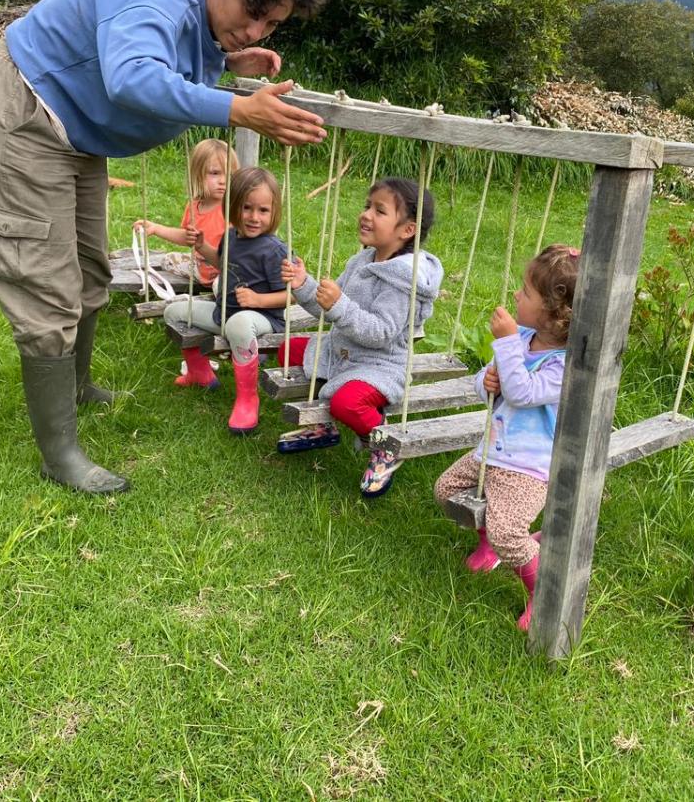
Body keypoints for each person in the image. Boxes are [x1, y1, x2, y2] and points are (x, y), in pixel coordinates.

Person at [0, 0, 327, 493]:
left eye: (271, 25)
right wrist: (238, 110)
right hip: (20, 113)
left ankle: (75, 389)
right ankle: (60, 453)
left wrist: (229, 63)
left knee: (90, 269)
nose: (256, 30)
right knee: (46, 283)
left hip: (73, 131)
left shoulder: (205, 17)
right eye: (253, 14)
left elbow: (169, 51)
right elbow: (131, 76)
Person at [432, 244, 579, 632]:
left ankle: (542, 593)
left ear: (554, 311)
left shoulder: (563, 365)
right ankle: (489, 547)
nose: (516, 295)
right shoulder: (524, 337)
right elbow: (488, 384)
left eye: (526, 292)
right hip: (491, 452)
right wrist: (488, 380)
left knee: (508, 532)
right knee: (446, 490)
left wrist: (507, 346)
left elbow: (524, 393)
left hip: (527, 468)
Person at [278, 178, 443, 498]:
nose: (366, 214)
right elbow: (329, 309)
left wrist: (339, 305)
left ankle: (383, 447)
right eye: (367, 206)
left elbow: (379, 333)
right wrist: (304, 284)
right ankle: (325, 426)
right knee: (290, 349)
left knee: (347, 402)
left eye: (379, 210)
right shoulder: (363, 260)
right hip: (344, 351)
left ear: (407, 230)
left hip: (379, 364)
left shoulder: (402, 282)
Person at [164, 167, 288, 434]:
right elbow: (222, 262)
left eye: (263, 210)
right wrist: (201, 246)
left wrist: (258, 299)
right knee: (174, 312)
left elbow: (290, 295)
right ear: (232, 207)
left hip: (262, 320)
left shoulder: (274, 250)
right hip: (225, 314)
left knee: (239, 324)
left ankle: (247, 398)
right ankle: (200, 373)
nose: (254, 217)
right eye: (246, 208)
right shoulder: (230, 236)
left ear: (273, 211)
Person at [132, 138, 240, 288]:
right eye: (215, 173)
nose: (223, 181)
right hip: (201, 267)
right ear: (197, 175)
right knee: (168, 260)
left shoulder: (234, 208)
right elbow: (187, 237)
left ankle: (220, 298)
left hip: (228, 269)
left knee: (220, 285)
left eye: (230, 175)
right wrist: (157, 229)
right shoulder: (194, 206)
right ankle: (207, 281)